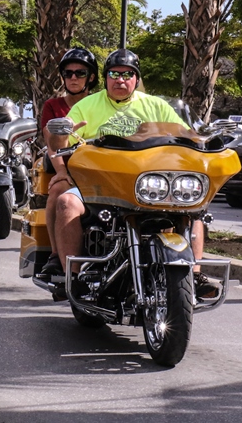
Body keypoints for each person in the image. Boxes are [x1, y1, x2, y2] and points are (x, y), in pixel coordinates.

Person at [45, 48, 220, 299]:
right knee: (66, 203)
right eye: (114, 74)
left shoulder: (156, 106)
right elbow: (57, 143)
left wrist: (204, 141)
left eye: (128, 74)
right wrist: (62, 133)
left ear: (136, 80)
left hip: (149, 185)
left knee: (194, 208)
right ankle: (73, 278)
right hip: (97, 186)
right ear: (104, 78)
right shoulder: (86, 106)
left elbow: (185, 137)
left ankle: (194, 273)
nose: (120, 79)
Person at [40, 48, 99, 270]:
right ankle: (56, 256)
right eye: (68, 73)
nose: (74, 77)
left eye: (80, 73)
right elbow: (51, 143)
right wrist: (62, 172)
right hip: (68, 167)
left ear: (91, 77)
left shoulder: (101, 103)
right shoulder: (53, 106)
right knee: (57, 190)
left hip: (102, 168)